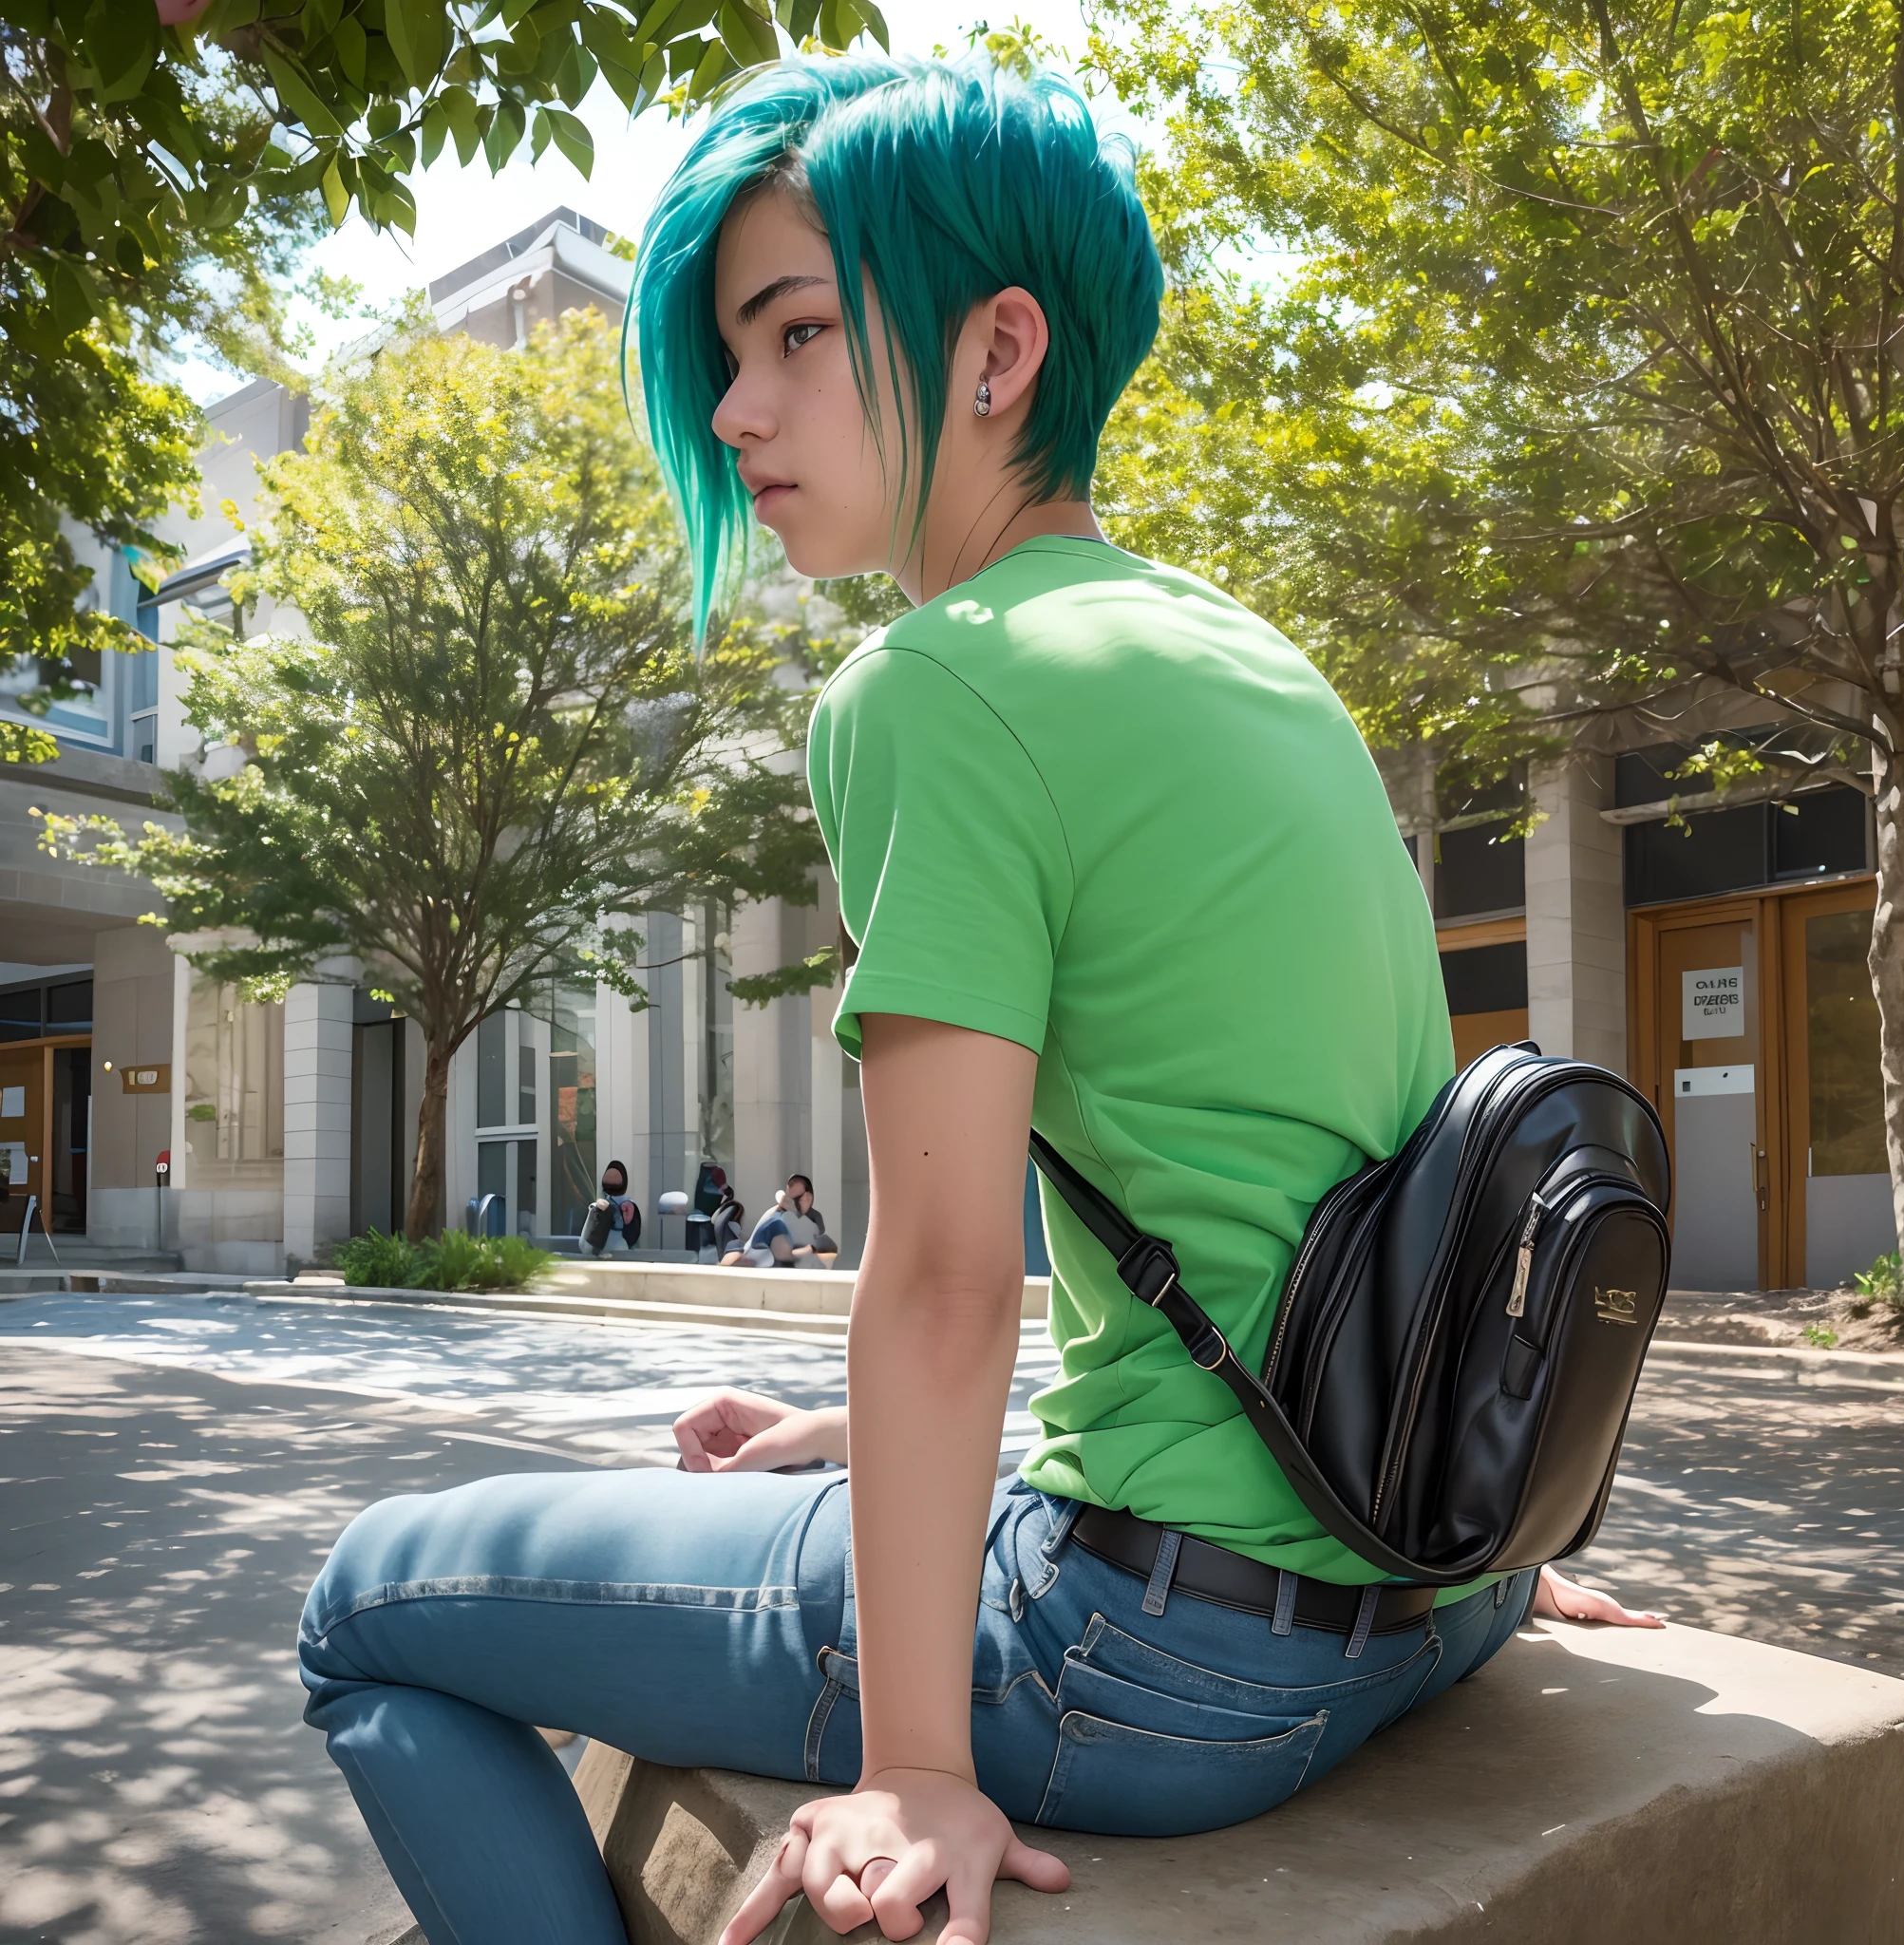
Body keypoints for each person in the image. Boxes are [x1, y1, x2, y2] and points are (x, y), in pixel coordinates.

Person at [297, 55, 1665, 1945]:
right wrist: (856, 1436)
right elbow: (1264, 1195)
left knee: (363, 1600)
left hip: (1156, 1664)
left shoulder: (935, 685)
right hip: (1419, 1589)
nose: (733, 408)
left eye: (790, 336)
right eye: (725, 352)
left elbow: (941, 1275)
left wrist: (917, 1764)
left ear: (995, 351)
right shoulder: (1255, 661)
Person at [738, 1173, 839, 1267]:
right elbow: (783, 1255)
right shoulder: (778, 1220)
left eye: (795, 1198)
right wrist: (810, 1249)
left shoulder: (806, 1218)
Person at [577, 1160, 642, 1256]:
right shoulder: (599, 1207)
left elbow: (632, 1236)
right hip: (606, 1252)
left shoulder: (626, 1206)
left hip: (616, 1252)